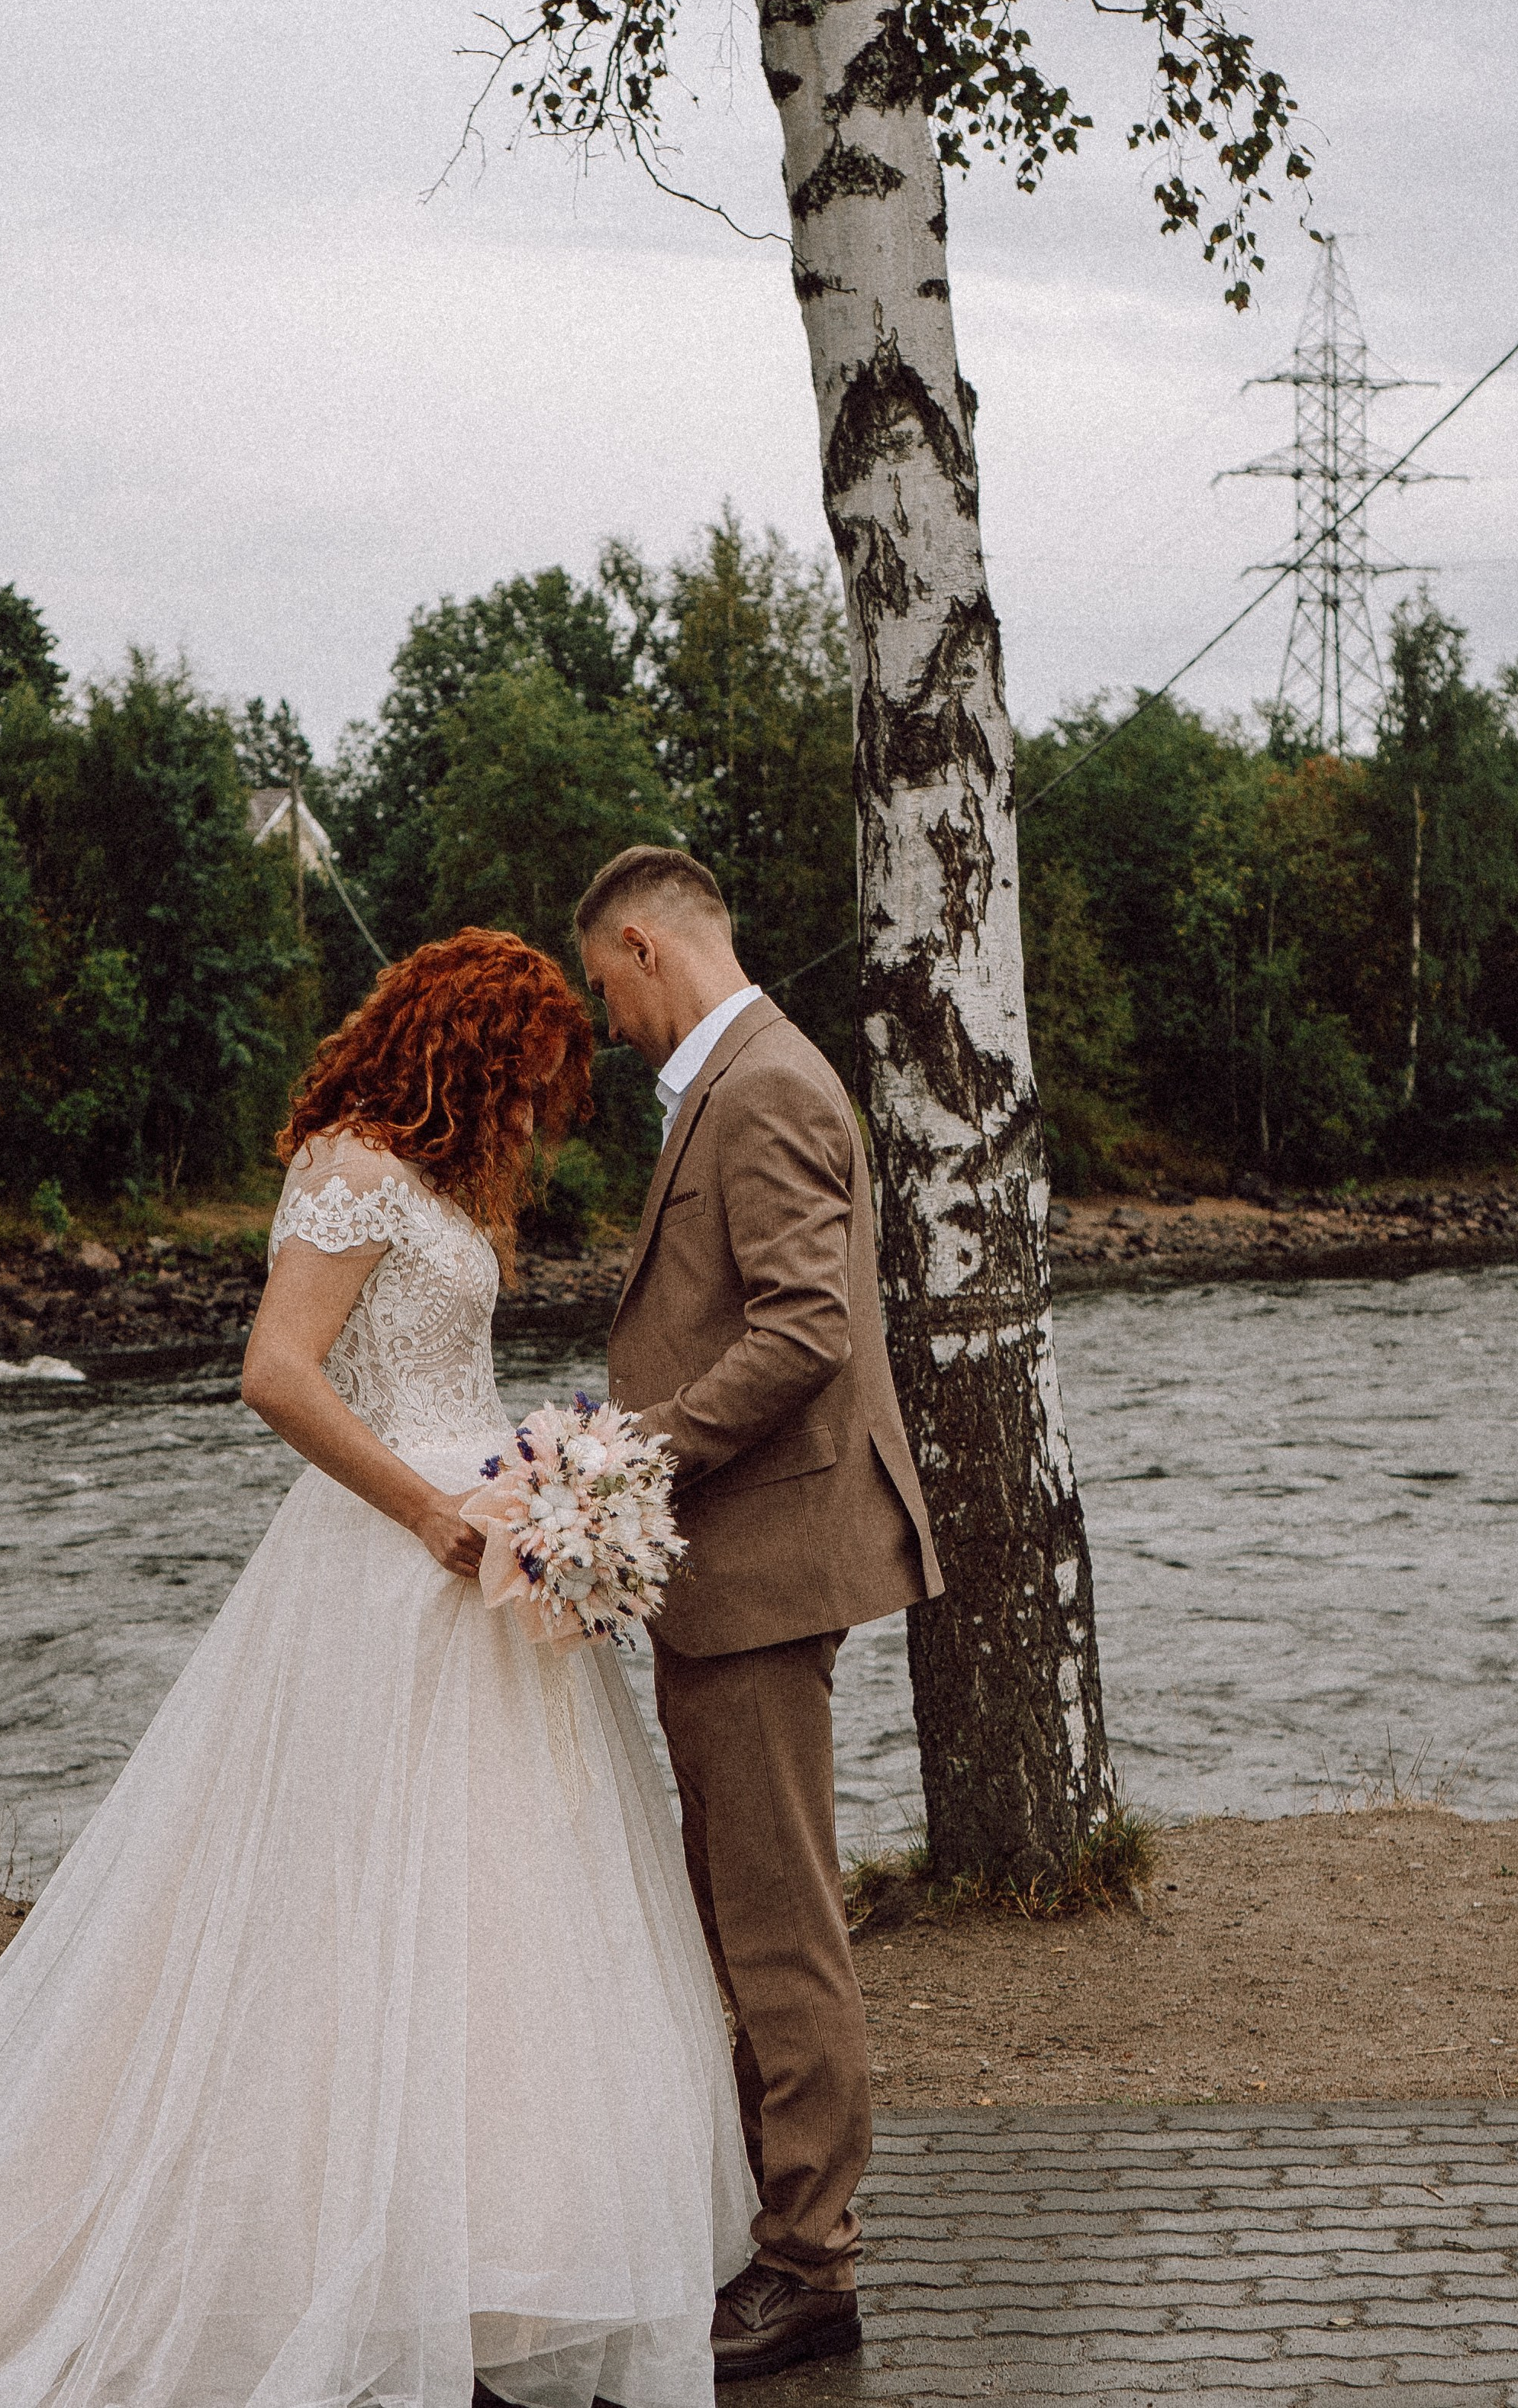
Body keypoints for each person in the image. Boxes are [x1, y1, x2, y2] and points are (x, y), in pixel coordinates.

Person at [0, 926, 753, 2408]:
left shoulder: (445, 1185)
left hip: (489, 1566)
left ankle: (478, 2270)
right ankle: (347, 2259)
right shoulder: (356, 1170)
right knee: (359, 1915)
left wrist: (556, 1489)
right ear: (472, 1045)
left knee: (503, 1928)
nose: (542, 1115)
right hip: (387, 1564)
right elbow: (275, 1370)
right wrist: (429, 1502)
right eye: (534, 1080)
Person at [574, 849, 943, 2386]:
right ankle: (770, 2224)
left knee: (779, 1921)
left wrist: (632, 1451)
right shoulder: (743, 1082)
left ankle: (813, 2259)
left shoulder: (767, 1086)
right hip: (734, 1562)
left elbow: (806, 1324)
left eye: (603, 987)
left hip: (766, 1561)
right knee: (739, 1903)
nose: (608, 1021)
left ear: (646, 948)